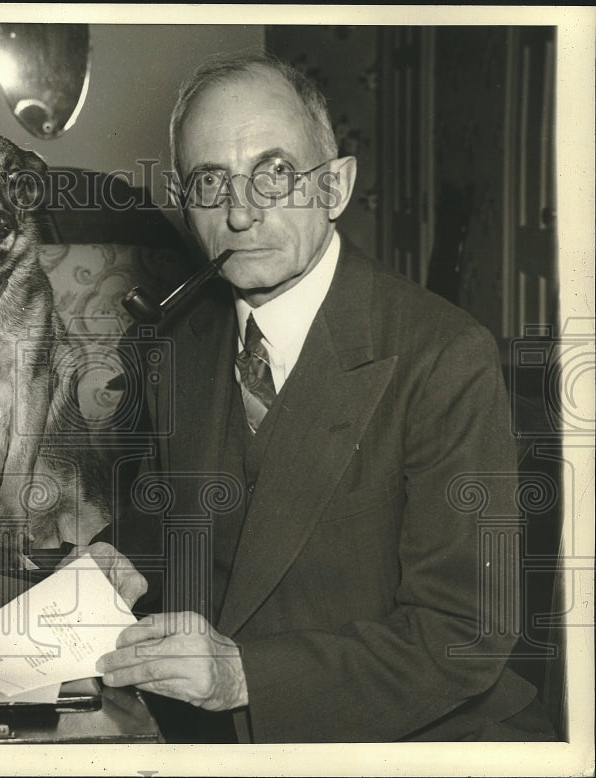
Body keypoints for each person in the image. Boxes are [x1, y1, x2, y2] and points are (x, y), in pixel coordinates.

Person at [73, 49, 555, 742]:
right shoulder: (178, 339)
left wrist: (247, 677)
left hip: (420, 731)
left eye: (273, 174)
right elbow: (173, 513)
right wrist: (122, 556)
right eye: (211, 183)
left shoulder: (445, 356)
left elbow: (465, 629)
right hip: (220, 729)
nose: (240, 215)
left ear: (335, 187)